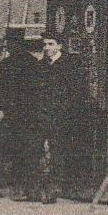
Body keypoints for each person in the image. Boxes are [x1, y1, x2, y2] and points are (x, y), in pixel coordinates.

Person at [34, 38, 83, 203]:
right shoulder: (41, 66)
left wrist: (64, 111)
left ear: (60, 46)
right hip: (42, 115)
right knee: (40, 151)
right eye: (45, 44)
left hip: (60, 117)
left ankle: (54, 189)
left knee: (57, 152)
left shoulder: (69, 65)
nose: (47, 48)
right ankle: (39, 189)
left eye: (51, 44)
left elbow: (75, 93)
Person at [0, 36, 44, 199]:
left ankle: (19, 188)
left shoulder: (5, 64)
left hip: (15, 114)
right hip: (29, 113)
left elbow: (1, 90)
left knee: (17, 149)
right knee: (30, 151)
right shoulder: (34, 64)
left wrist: (2, 108)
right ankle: (29, 188)